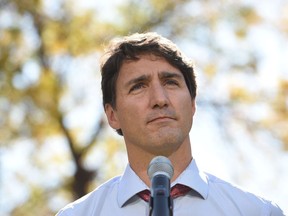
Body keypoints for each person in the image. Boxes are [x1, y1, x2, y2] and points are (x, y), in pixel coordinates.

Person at [57, 32, 284, 216]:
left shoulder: (257, 212)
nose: (160, 99)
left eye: (171, 82)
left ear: (193, 103)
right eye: (138, 86)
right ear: (113, 115)